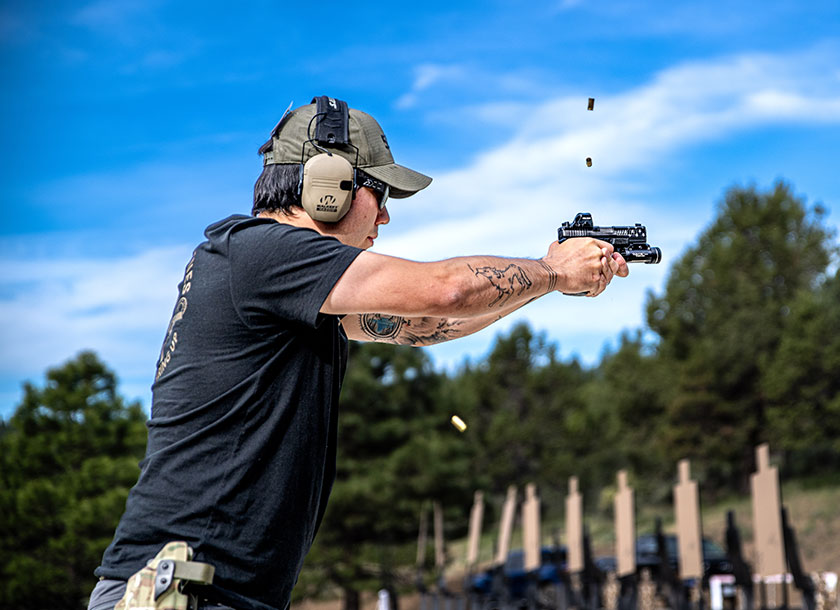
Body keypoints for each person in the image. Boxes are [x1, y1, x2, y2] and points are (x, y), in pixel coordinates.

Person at [87, 96, 627, 610]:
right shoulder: (258, 252)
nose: (385, 217)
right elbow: (446, 290)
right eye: (379, 194)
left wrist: (548, 283)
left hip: (200, 589)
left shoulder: (278, 278)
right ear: (330, 187)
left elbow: (428, 324)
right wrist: (553, 268)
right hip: (183, 589)